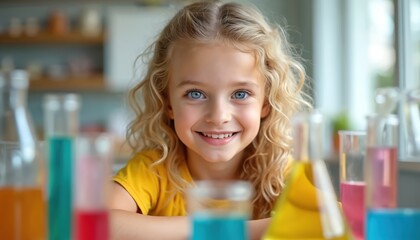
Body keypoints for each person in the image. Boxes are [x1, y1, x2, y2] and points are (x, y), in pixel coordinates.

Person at [109, 1, 311, 239]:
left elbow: (333, 217)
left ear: (265, 103)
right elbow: (101, 223)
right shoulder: (153, 170)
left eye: (240, 94)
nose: (218, 117)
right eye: (196, 94)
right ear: (168, 102)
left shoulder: (281, 172)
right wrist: (232, 228)